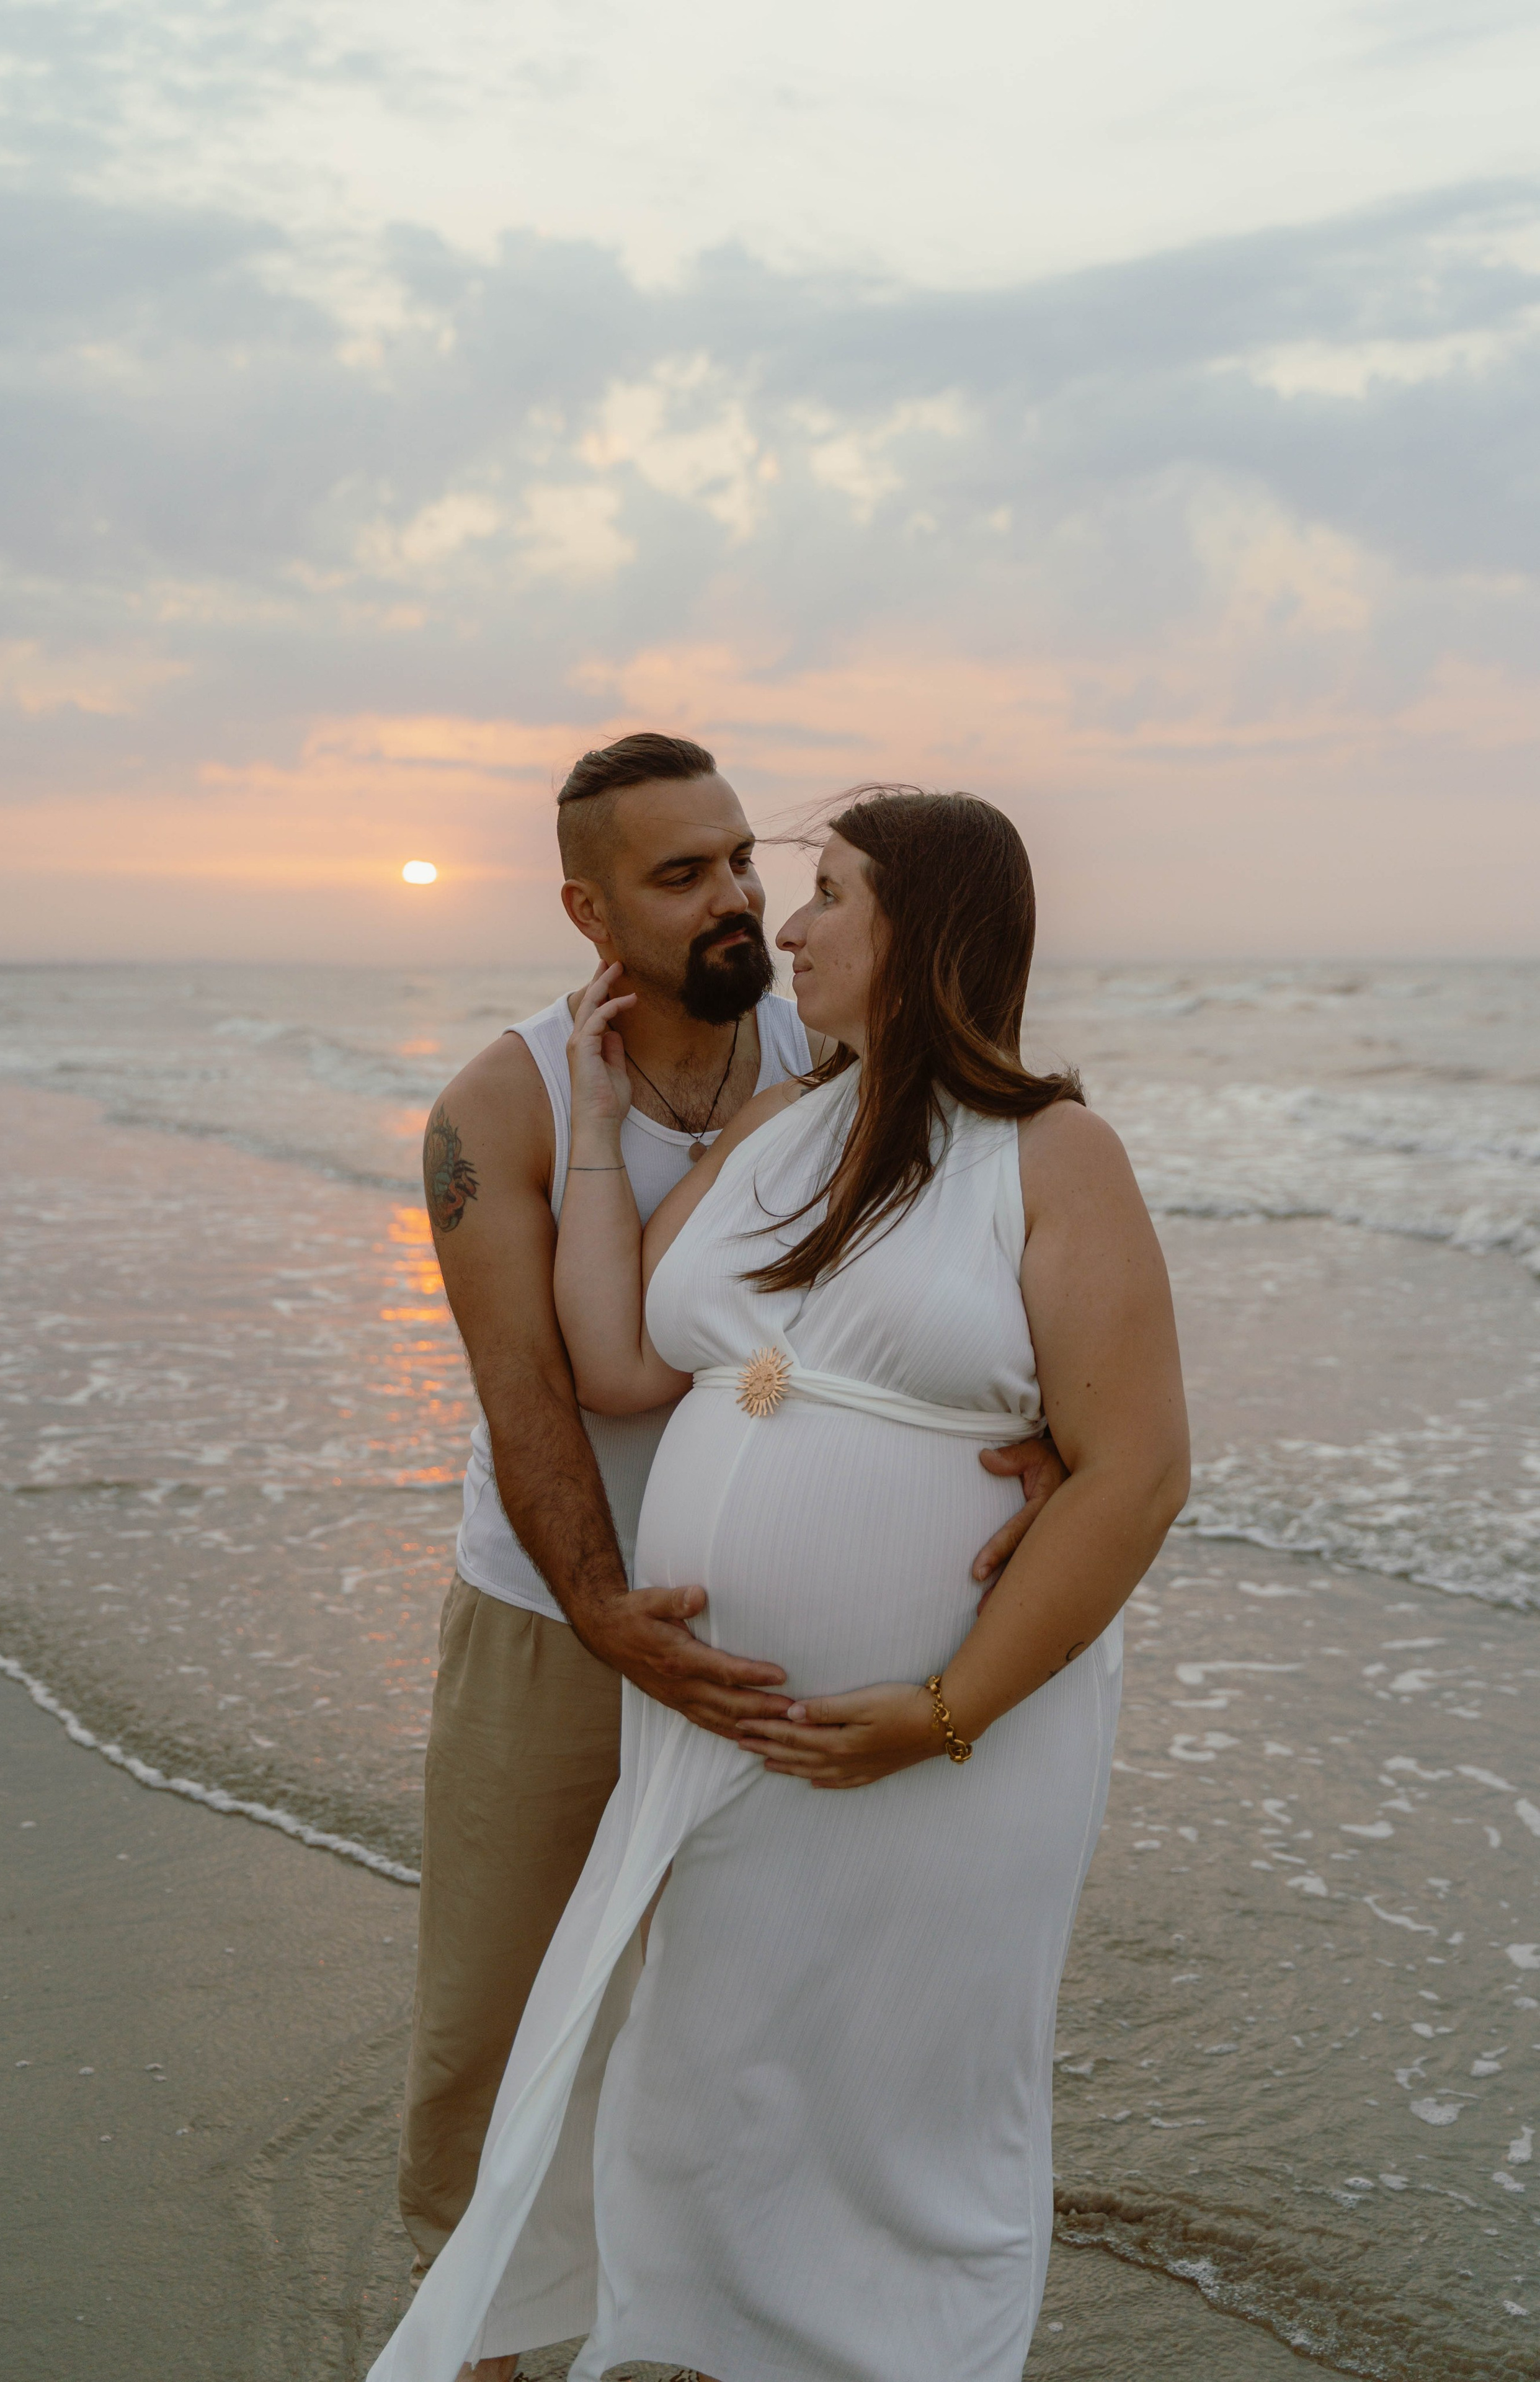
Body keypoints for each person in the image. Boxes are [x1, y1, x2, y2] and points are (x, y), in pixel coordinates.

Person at [375, 786, 1190, 2382]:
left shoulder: (1057, 1152)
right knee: (707, 2073)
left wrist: (944, 1706)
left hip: (937, 1736)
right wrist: (599, 1136)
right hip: (713, 1723)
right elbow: (609, 1361)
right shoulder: (778, 1125)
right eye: (763, 885)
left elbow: (1139, 1466)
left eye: (825, 892)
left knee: (896, 2097)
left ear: (923, 935)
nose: (787, 919)